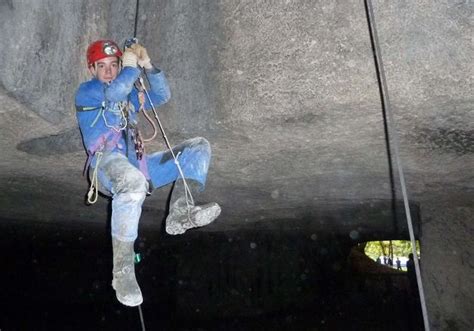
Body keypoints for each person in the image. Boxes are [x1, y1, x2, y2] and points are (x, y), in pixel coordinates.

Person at [75, 39, 221, 307]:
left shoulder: (128, 92)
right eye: (101, 66)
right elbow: (115, 92)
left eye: (113, 65)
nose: (108, 71)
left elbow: (162, 95)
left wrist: (147, 65)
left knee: (198, 147)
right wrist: (129, 68)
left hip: (137, 165)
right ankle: (122, 271)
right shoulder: (88, 92)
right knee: (133, 183)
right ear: (92, 69)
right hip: (106, 165)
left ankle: (181, 211)